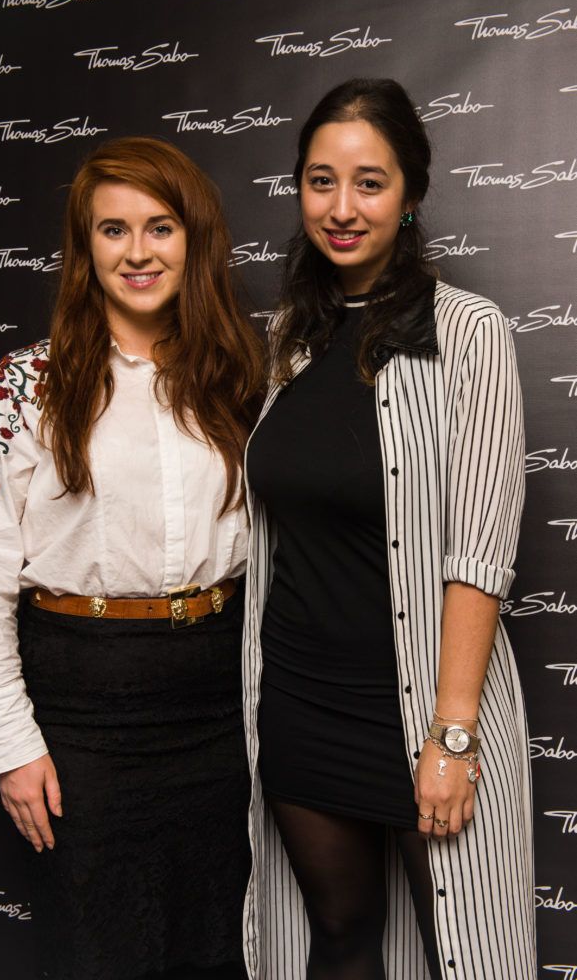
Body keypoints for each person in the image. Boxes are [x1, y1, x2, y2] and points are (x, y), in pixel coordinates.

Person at [0, 137, 264, 980]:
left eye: (159, 227)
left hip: (217, 706)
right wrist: (10, 745)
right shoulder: (18, 387)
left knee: (216, 948)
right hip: (81, 712)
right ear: (84, 249)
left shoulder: (239, 379)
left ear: (193, 239)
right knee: (99, 952)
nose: (137, 251)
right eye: (112, 230)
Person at [242, 79, 535, 980]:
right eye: (320, 180)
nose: (341, 207)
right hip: (299, 696)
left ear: (410, 195)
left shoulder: (467, 332)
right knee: (338, 940)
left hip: (420, 707)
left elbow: (478, 550)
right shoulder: (290, 335)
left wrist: (450, 736)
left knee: (465, 957)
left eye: (369, 183)